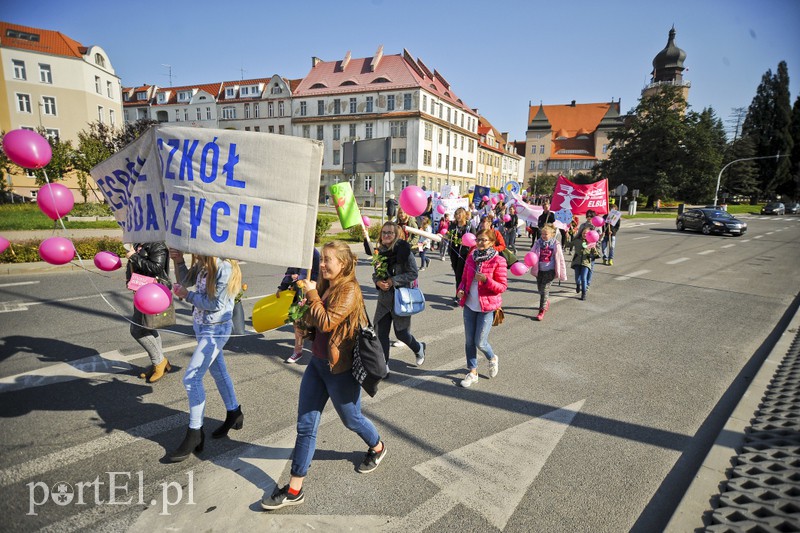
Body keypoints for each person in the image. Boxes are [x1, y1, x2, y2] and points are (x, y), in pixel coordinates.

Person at [261, 241, 386, 510]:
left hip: (339, 370)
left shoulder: (349, 289)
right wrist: (302, 318)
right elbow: (316, 323)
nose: (322, 263)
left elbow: (328, 321)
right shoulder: (324, 284)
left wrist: (313, 296)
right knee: (306, 426)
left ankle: (377, 446)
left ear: (344, 263)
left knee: (351, 420)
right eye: (322, 259)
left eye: (328, 259)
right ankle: (295, 489)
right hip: (317, 364)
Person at [168, 253, 243, 462]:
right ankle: (234, 413)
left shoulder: (224, 267)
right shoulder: (203, 262)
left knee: (191, 379)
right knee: (219, 371)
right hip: (201, 325)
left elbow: (216, 304)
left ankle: (195, 433)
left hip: (216, 329)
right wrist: (178, 260)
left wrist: (187, 296)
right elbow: (185, 281)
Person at [456, 228, 507, 388]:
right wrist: (461, 290)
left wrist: (486, 280)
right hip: (470, 305)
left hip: (487, 307)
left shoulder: (498, 261)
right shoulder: (471, 258)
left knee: (480, 342)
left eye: (484, 240)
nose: (480, 243)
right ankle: (473, 372)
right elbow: (464, 279)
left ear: (492, 242)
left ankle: (492, 358)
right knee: (469, 341)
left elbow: (502, 286)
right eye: (478, 240)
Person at [372, 221, 426, 368]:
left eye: (390, 232)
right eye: (384, 232)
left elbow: (413, 273)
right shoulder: (380, 252)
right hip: (384, 300)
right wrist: (378, 282)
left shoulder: (403, 250)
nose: (387, 235)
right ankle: (384, 365)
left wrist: (393, 280)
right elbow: (376, 274)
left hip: (401, 299)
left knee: (401, 334)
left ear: (396, 235)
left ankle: (418, 348)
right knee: (381, 333)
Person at [126, 242, 172, 383]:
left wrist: (134, 257)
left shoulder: (157, 244)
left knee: (137, 330)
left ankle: (159, 362)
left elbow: (156, 268)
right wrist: (131, 280)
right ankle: (159, 363)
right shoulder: (139, 242)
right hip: (142, 292)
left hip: (154, 293)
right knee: (148, 327)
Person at [278, 248, 321, 363]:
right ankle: (298, 351)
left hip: (312, 294)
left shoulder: (315, 254)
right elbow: (289, 272)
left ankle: (319, 352)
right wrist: (282, 287)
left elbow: (318, 274)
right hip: (298, 295)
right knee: (298, 324)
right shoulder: (295, 251)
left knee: (314, 326)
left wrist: (302, 279)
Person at [529, 224, 567, 320]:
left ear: (552, 235)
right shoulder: (538, 243)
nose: (544, 236)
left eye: (546, 234)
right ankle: (546, 301)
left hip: (550, 270)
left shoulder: (556, 244)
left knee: (545, 290)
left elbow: (560, 259)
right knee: (540, 289)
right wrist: (526, 265)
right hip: (539, 270)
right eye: (542, 234)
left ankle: (541, 310)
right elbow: (531, 254)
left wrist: (562, 273)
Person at [448, 207, 471, 303]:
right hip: (454, 253)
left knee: (461, 275)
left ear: (464, 215)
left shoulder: (469, 226)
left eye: (459, 214)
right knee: (458, 275)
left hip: (465, 254)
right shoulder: (453, 226)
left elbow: (474, 239)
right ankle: (461, 293)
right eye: (456, 214)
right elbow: (449, 236)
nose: (457, 216)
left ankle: (459, 296)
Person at [571, 227, 601, 301]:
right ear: (581, 233)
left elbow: (597, 254)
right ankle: (578, 285)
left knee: (583, 278)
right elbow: (568, 244)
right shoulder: (577, 241)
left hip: (586, 263)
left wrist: (593, 251)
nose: (585, 234)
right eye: (583, 233)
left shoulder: (591, 242)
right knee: (577, 279)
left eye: (587, 233)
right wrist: (567, 236)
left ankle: (583, 294)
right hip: (577, 262)